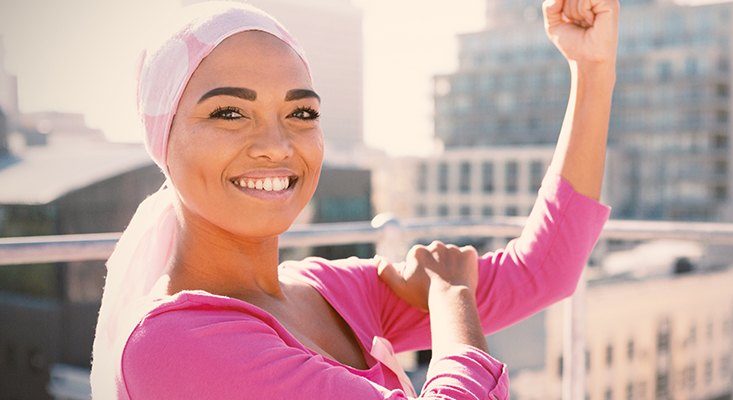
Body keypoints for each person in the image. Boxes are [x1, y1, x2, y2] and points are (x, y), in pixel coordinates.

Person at [90, 0, 618, 398]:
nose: (277, 145)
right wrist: (452, 297)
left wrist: (592, 69)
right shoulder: (173, 343)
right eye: (229, 113)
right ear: (164, 140)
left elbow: (543, 270)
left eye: (301, 114)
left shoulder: (325, 290)